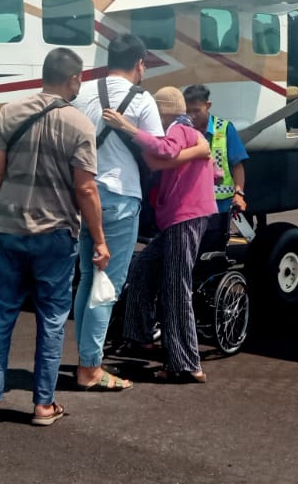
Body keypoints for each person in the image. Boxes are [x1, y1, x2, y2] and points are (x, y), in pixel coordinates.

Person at [0, 48, 107, 428]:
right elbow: (86, 189)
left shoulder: (8, 113)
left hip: (8, 230)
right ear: (73, 79)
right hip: (55, 234)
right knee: (53, 317)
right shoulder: (79, 125)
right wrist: (100, 240)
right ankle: (43, 405)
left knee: (0, 314)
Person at [67, 34, 164, 392]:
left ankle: (86, 357)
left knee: (87, 277)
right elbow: (157, 150)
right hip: (120, 198)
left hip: (84, 193)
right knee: (106, 284)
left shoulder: (84, 94)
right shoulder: (143, 99)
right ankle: (90, 367)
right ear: (140, 63)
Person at [102, 87, 217, 384]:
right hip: (183, 216)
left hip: (184, 215)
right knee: (144, 267)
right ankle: (139, 336)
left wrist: (127, 128)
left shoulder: (178, 127)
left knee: (175, 285)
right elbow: (214, 171)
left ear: (163, 111)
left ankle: (186, 362)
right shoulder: (190, 132)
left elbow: (163, 152)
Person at [183, 84, 249, 256]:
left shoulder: (225, 129)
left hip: (218, 207)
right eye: (188, 111)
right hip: (191, 205)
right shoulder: (184, 130)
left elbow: (238, 166)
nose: (192, 116)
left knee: (212, 253)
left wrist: (239, 194)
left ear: (208, 105)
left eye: (197, 110)